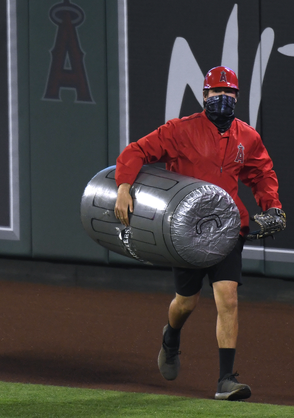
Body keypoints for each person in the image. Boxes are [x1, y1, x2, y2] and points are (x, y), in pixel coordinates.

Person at [114, 66, 285, 401]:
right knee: (186, 302)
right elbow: (137, 151)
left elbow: (262, 173)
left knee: (228, 298)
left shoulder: (247, 137)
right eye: (216, 92)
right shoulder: (180, 130)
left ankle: (226, 380)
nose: (223, 98)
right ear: (204, 96)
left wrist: (273, 206)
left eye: (229, 92)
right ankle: (171, 336)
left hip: (228, 227)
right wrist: (123, 187)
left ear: (237, 97)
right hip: (186, 231)